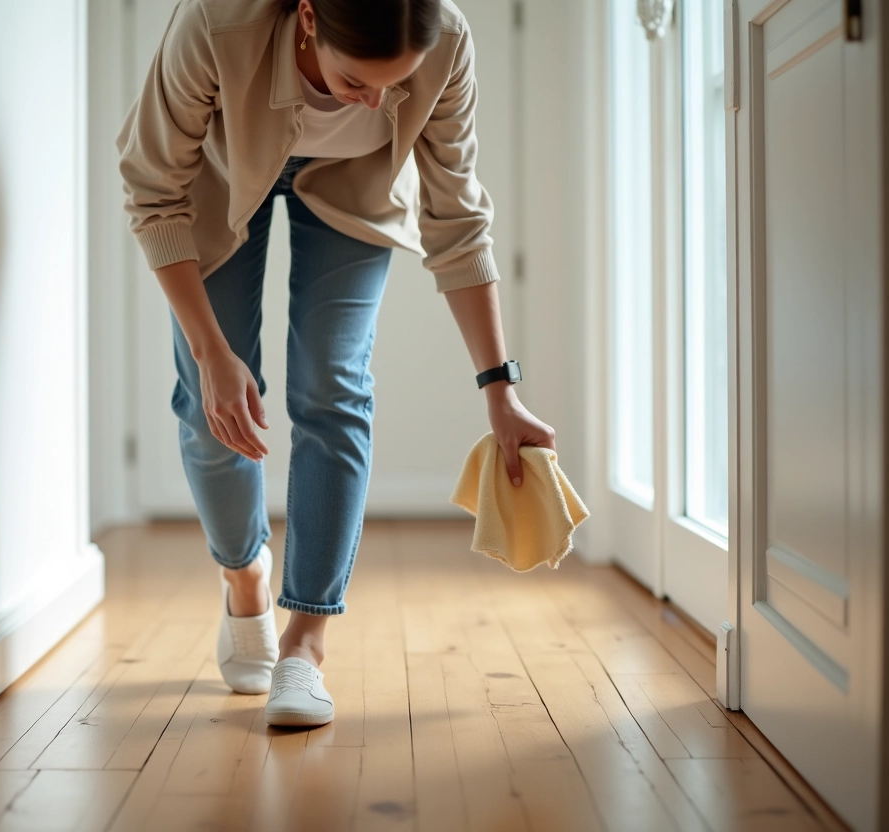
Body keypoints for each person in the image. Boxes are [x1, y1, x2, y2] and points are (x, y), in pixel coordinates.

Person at [117, 0, 556, 727]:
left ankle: (304, 646)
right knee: (211, 400)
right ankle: (245, 575)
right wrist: (212, 354)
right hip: (219, 175)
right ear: (311, 20)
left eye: (396, 86)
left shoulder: (443, 40)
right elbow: (153, 190)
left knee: (335, 388)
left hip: (357, 190)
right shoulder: (217, 24)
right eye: (357, 83)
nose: (380, 103)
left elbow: (456, 216)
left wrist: (500, 390)